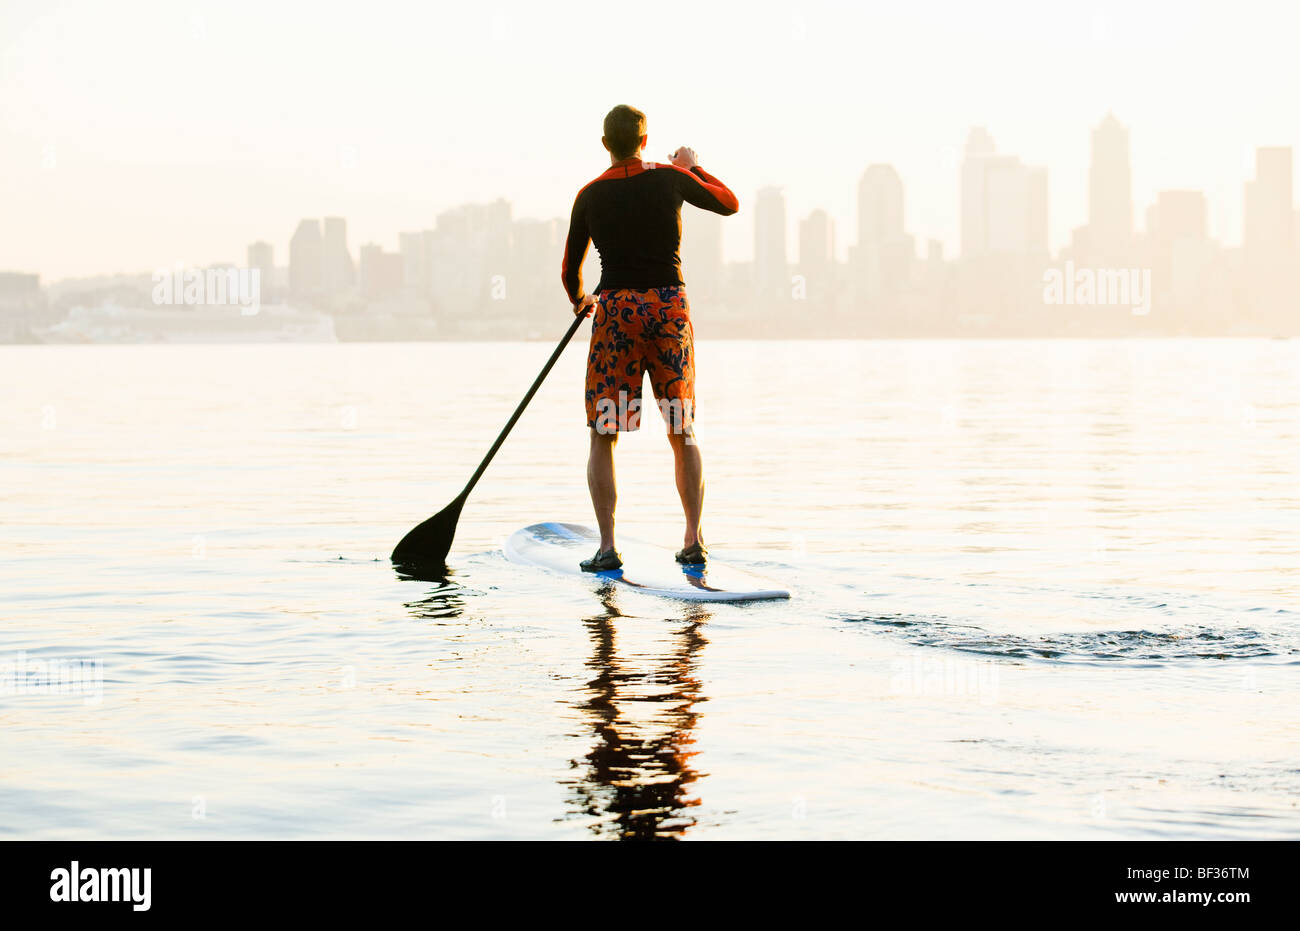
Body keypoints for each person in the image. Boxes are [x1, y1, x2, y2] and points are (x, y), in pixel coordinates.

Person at [561, 104, 739, 572]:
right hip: (668, 310)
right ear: (644, 140)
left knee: (605, 433)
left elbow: (569, 270)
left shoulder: (589, 195)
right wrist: (691, 167)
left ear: (606, 144)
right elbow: (728, 202)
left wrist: (581, 299)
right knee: (681, 426)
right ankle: (693, 539)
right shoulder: (668, 177)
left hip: (616, 312)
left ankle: (606, 547)